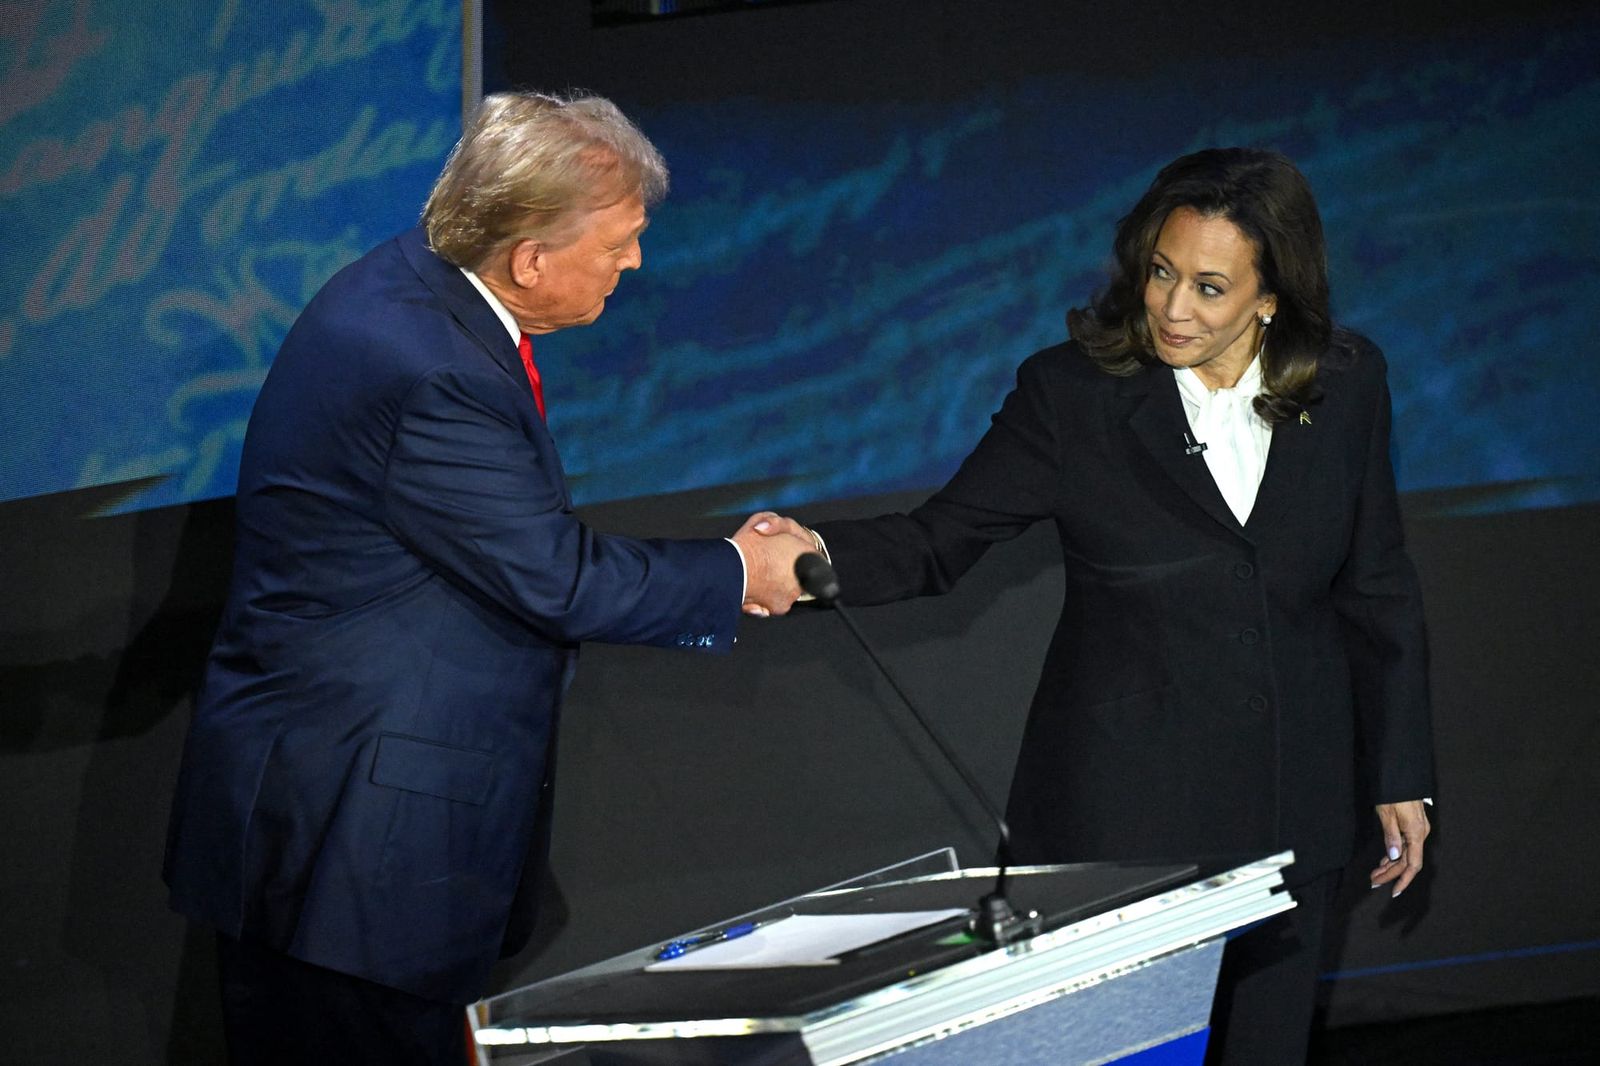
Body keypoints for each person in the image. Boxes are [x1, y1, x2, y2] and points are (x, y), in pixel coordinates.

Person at [162, 91, 814, 1066]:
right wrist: (738, 572)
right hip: (357, 848)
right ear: (530, 258)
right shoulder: (433, 370)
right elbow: (552, 576)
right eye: (619, 244)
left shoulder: (409, 286)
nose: (633, 264)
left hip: (332, 821)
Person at [759, 148, 1435, 1064]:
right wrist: (807, 560)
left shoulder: (1348, 382)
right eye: (1161, 272)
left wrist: (1400, 770)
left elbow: (1377, 583)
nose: (1173, 307)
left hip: (1294, 804)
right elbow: (938, 540)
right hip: (1123, 822)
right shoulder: (1071, 394)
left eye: (1209, 286)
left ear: (1270, 296)